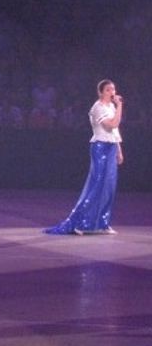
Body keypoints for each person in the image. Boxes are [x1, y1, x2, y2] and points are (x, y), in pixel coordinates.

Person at [44, 79, 123, 235]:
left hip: (112, 146)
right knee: (96, 184)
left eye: (113, 89)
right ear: (101, 92)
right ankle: (80, 222)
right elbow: (112, 124)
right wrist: (121, 105)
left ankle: (102, 222)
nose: (112, 92)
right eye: (108, 90)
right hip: (100, 147)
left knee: (109, 186)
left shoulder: (111, 106)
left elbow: (115, 131)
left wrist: (119, 149)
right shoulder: (97, 108)